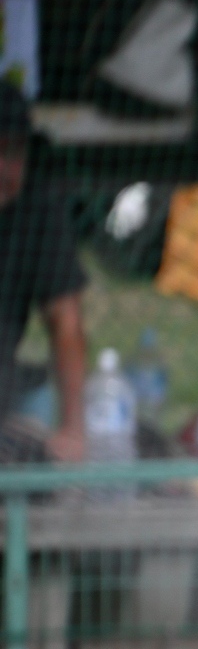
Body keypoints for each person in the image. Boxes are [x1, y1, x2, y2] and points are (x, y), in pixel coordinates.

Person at [0, 83, 86, 461]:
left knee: (42, 409)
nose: (3, 169)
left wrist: (73, 430)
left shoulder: (36, 206)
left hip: (7, 391)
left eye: (13, 152)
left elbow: (66, 320)